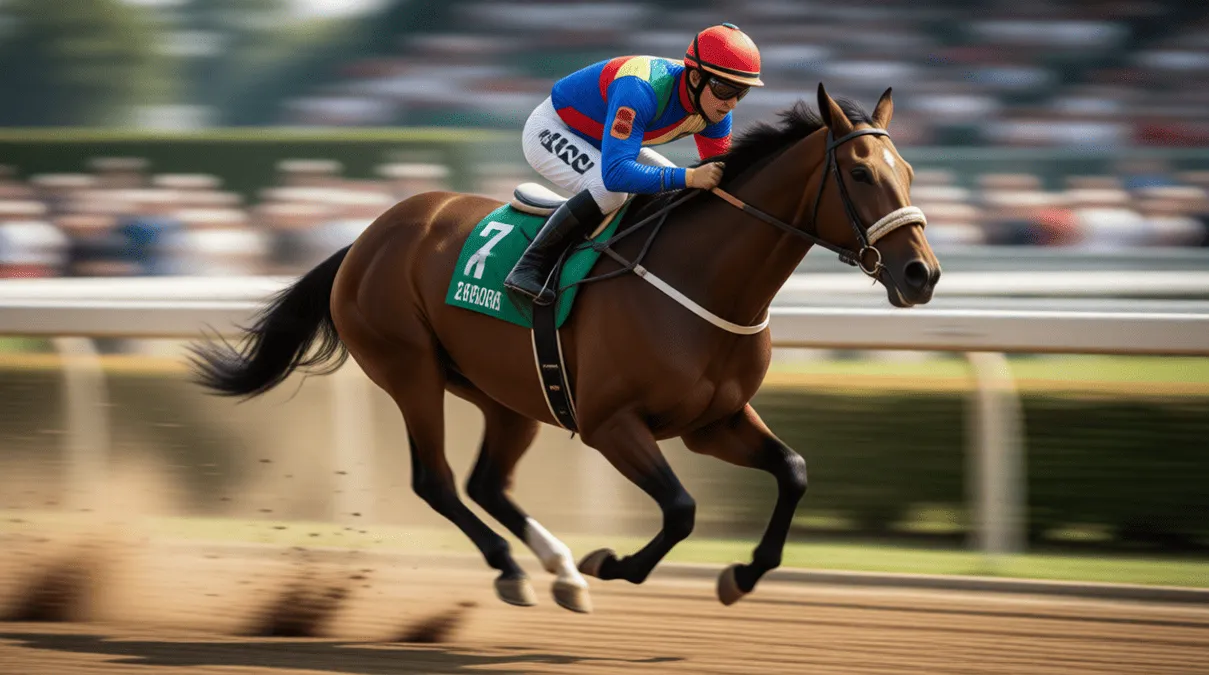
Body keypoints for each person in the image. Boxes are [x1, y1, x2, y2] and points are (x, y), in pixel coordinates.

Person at [503, 23, 763, 305]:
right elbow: (616, 174)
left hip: (606, 139)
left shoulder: (715, 107)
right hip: (554, 129)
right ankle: (528, 266)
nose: (732, 104)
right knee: (610, 191)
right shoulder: (640, 89)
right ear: (696, 77)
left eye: (742, 92)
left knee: (669, 194)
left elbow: (722, 177)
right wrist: (689, 178)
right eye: (725, 89)